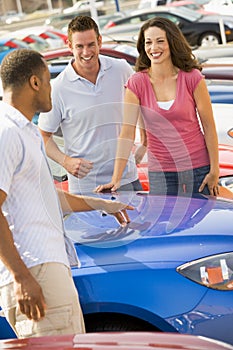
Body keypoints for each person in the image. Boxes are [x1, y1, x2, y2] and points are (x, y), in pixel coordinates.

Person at [0, 48, 134, 339]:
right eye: (49, 80)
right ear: (35, 82)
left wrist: (101, 204)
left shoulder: (27, 132)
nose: (52, 88)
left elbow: (47, 198)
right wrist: (21, 277)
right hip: (34, 270)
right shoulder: (6, 132)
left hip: (46, 267)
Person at [95, 17, 220, 197]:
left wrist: (214, 170)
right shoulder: (136, 83)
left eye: (160, 41)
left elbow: (209, 127)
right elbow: (127, 133)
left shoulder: (192, 78)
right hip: (161, 172)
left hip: (198, 168)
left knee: (200, 225)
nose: (154, 48)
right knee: (164, 224)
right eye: (148, 42)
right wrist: (116, 178)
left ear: (172, 42)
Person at [38, 15, 142, 195]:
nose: (86, 52)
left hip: (127, 179)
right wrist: (65, 161)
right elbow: (43, 135)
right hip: (86, 188)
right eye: (79, 46)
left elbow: (142, 105)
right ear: (70, 46)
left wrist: (145, 142)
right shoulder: (58, 88)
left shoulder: (121, 70)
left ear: (99, 41)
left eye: (91, 44)